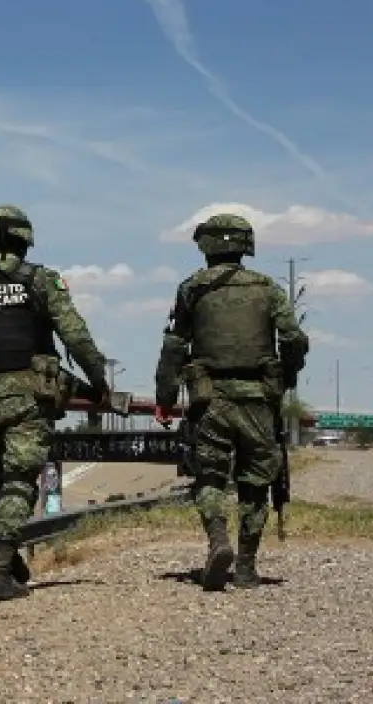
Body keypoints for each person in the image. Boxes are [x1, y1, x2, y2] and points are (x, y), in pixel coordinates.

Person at [0, 205, 111, 601]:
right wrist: (99, 383)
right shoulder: (42, 281)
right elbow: (76, 336)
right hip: (28, 401)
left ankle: (10, 563)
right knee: (19, 486)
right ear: (25, 241)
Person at [153, 213, 309, 591]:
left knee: (209, 476)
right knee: (256, 481)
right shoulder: (268, 289)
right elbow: (293, 339)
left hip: (210, 400)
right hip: (259, 400)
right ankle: (246, 566)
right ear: (245, 246)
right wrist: (284, 378)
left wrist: (165, 397)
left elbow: (174, 346)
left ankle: (218, 541)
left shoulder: (192, 289)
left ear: (206, 246)